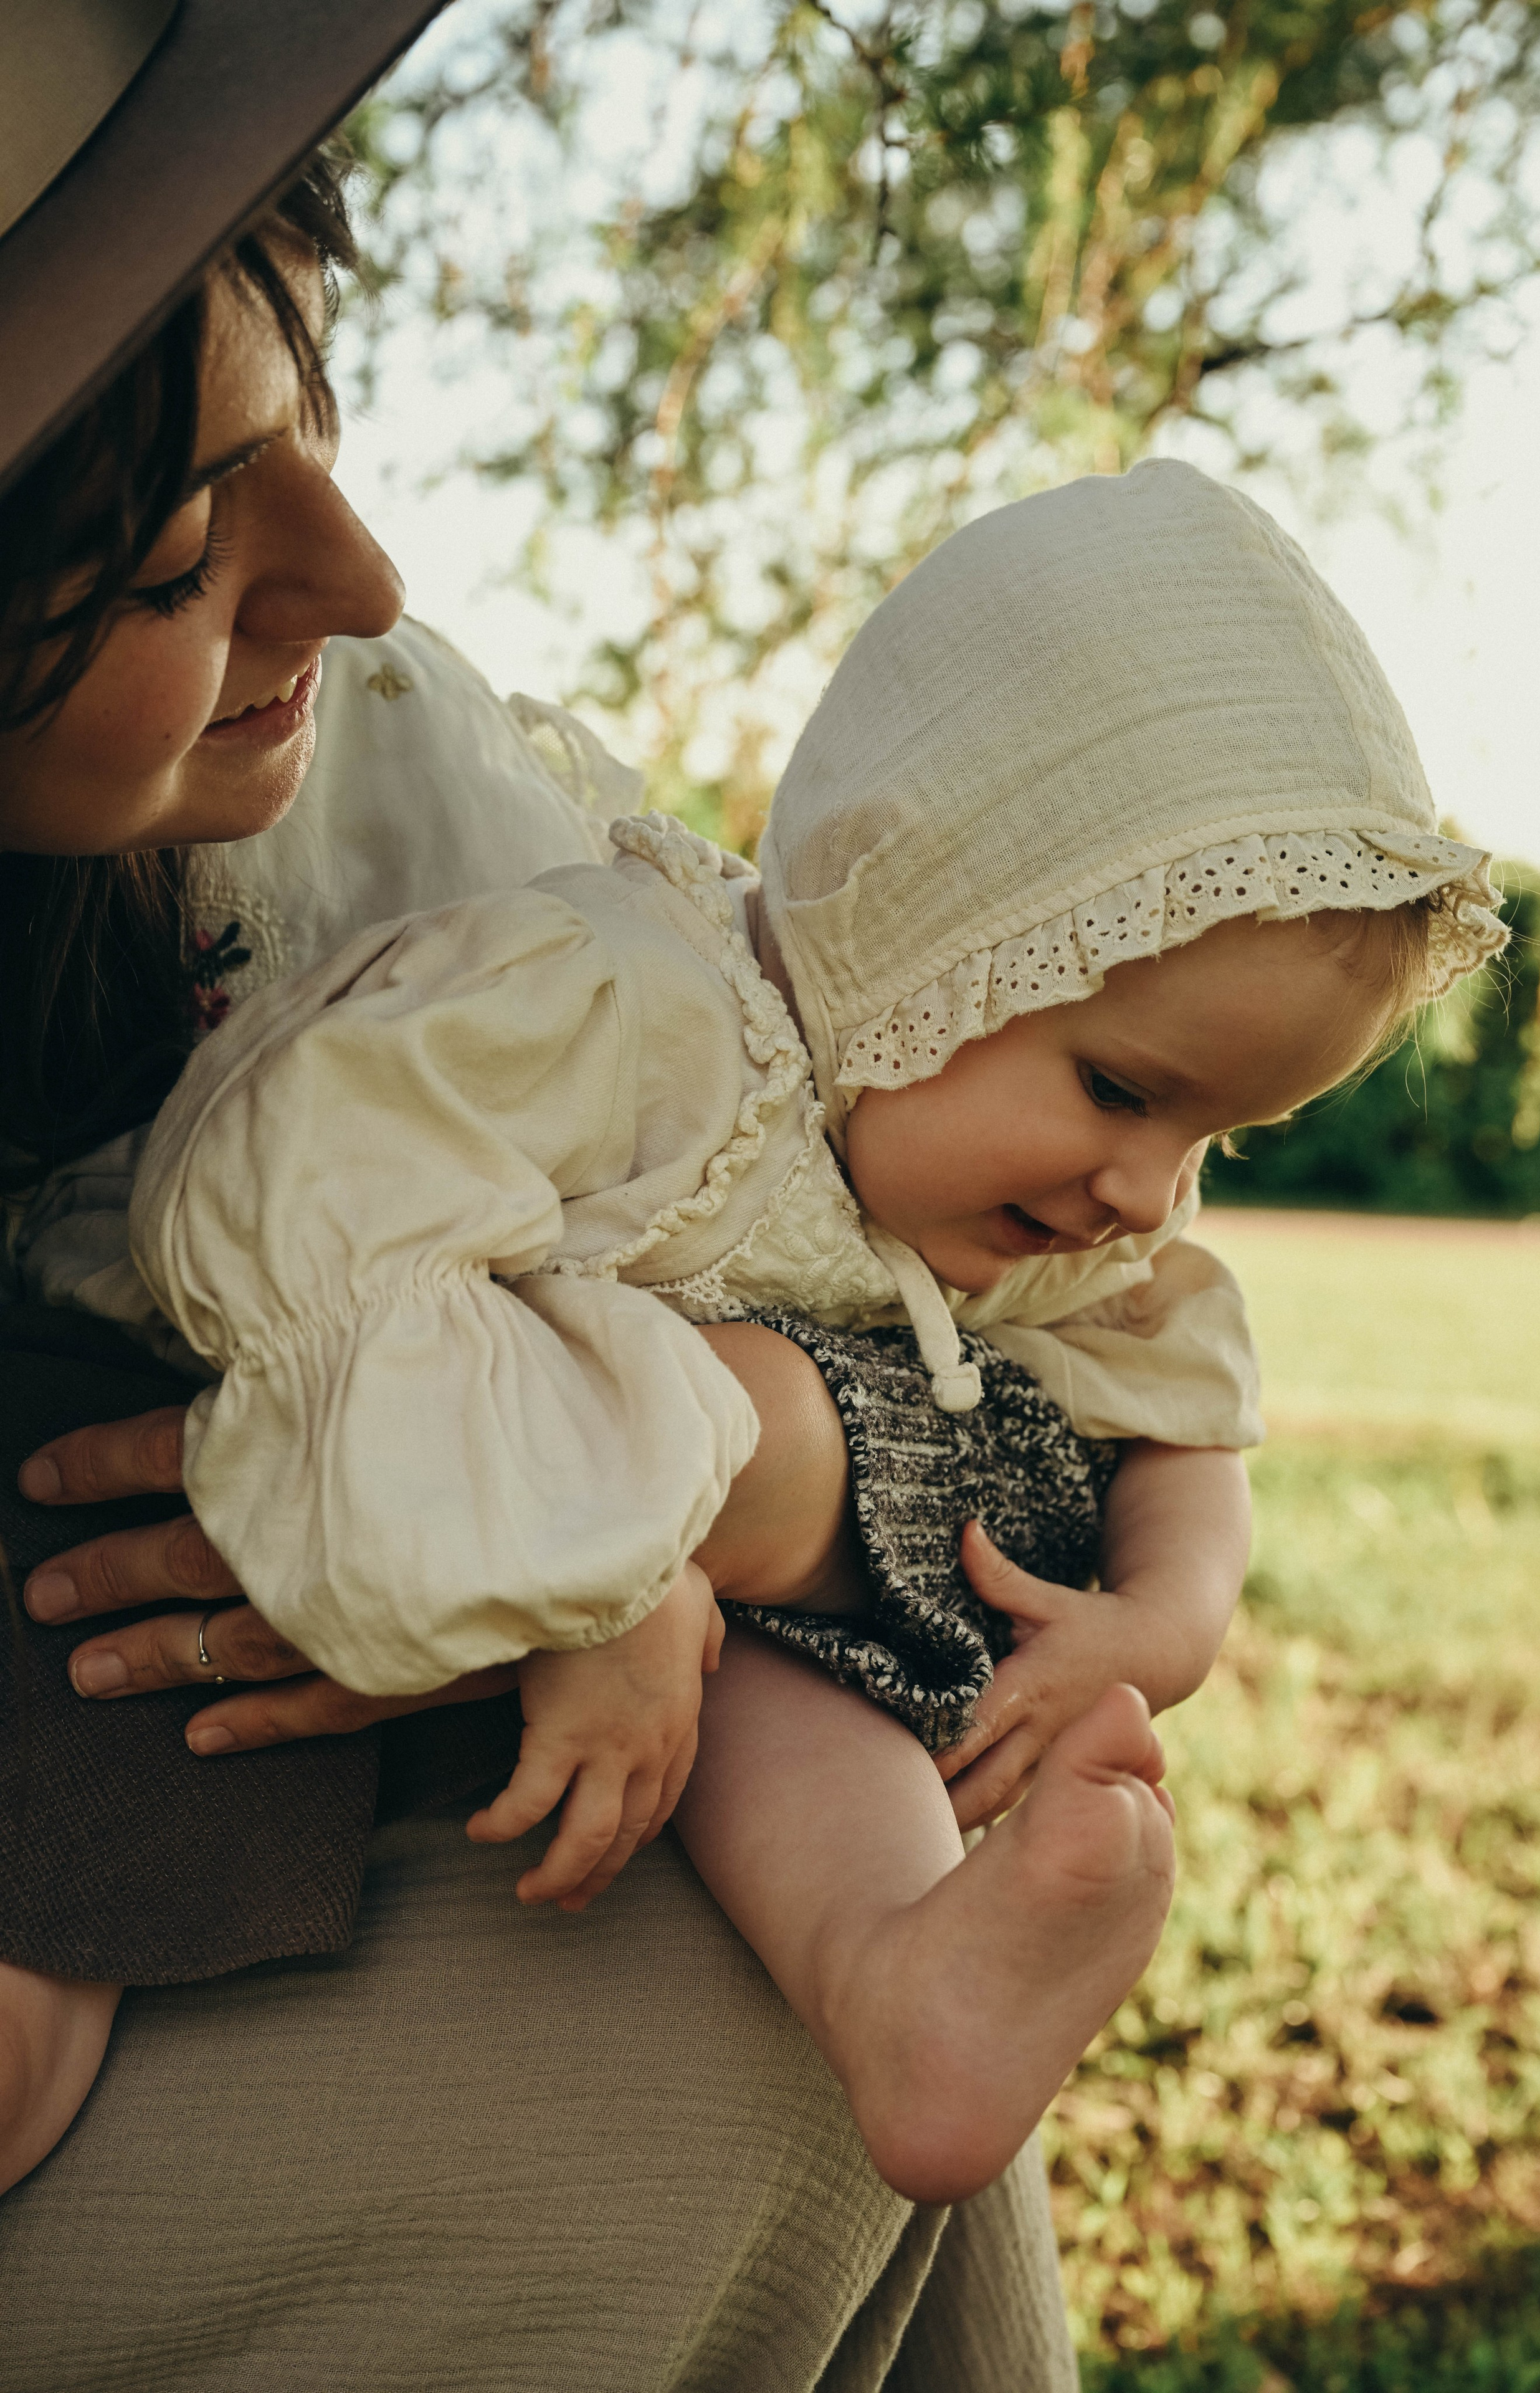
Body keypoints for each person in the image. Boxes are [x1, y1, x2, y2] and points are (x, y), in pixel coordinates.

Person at [14, 461, 1509, 2199]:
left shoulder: (1043, 1197)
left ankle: (904, 1988)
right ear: (924, 914)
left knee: (806, 1701)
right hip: (160, 1481)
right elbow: (295, 1196)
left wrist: (1162, 1616)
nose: (1146, 1192)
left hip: (655, 1622)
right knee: (73, 1864)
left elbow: (1181, 1399)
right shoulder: (620, 1001)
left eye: (1216, 1139)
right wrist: (600, 1554)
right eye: (1122, 1090)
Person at [0, 11, 1080, 2386]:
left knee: (824, 2011)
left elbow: (1012, 1463)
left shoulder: (402, 815)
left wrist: (677, 1490)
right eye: (184, 554)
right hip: (101, 1748)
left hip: (361, 1731)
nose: (365, 583)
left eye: (313, 427)